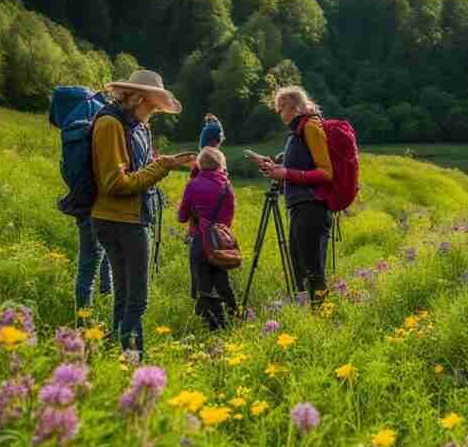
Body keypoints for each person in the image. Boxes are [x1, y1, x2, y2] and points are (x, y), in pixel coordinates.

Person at [90, 70, 196, 356]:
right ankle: (134, 359)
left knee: (124, 296)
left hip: (126, 218)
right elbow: (115, 183)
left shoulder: (133, 125)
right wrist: (163, 167)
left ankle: (121, 357)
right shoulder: (110, 125)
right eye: (152, 106)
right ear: (138, 98)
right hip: (122, 221)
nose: (154, 113)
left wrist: (162, 162)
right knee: (137, 300)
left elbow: (137, 169)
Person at [250, 86, 333, 306]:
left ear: (294, 106)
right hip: (300, 206)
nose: (279, 112)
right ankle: (310, 315)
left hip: (312, 207)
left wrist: (286, 172)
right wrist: (275, 170)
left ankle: (322, 317)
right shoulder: (297, 132)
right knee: (301, 270)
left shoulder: (311, 127)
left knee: (312, 271)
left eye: (281, 107)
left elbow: (325, 172)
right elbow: (297, 173)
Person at [177, 146, 237, 330]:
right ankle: (233, 316)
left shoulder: (193, 185)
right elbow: (228, 219)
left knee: (203, 285)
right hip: (220, 243)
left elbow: (182, 217)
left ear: (200, 165)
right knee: (222, 281)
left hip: (200, 241)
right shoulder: (227, 186)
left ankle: (211, 324)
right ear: (220, 163)